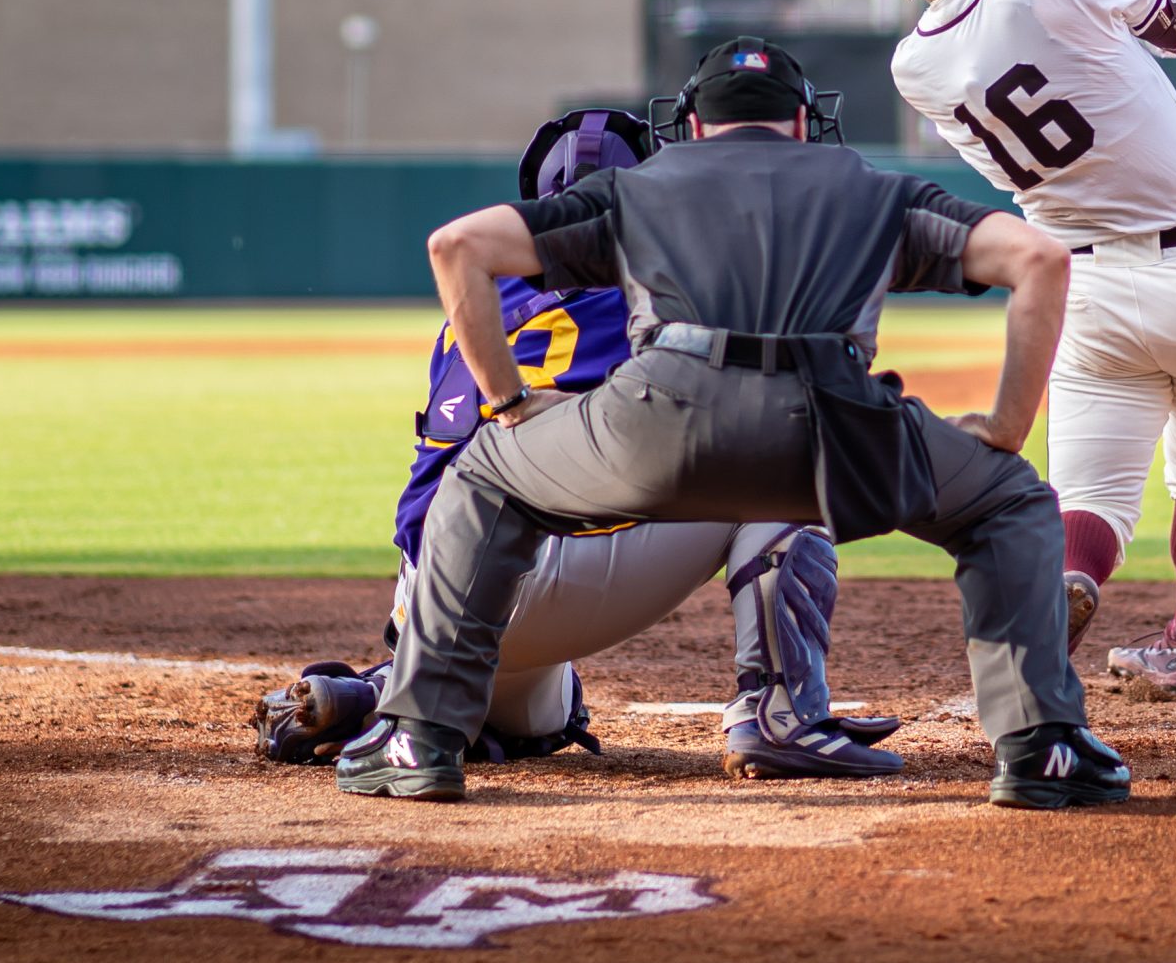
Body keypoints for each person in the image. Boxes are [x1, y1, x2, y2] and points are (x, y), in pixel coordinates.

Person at [334, 40, 1126, 809]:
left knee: (485, 474)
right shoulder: (876, 189)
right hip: (835, 433)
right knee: (1010, 502)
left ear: (697, 126)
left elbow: (457, 245)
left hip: (657, 423)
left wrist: (509, 404)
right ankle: (1040, 746)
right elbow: (1041, 261)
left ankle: (420, 736)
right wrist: (1006, 426)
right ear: (804, 122)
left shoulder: (639, 189)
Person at [251, 108, 901, 780]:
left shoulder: (472, 302)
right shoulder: (670, 273)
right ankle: (780, 712)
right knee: (788, 441)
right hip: (547, 569)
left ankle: (380, 694)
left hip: (430, 593)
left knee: (541, 719)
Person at [868, 0, 1176, 699]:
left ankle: (1070, 588)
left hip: (1085, 282)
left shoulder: (918, 69)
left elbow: (1086, 41)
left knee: (1092, 497)